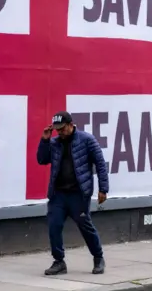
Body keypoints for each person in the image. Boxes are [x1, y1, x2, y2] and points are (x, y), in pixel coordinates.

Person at [37, 111, 109, 276]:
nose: (59, 132)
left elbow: (100, 164)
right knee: (54, 226)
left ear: (71, 125)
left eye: (62, 129)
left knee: (85, 226)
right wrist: (44, 140)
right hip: (58, 194)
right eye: (57, 130)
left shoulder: (87, 140)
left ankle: (98, 257)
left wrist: (103, 188)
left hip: (79, 194)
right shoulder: (54, 142)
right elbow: (41, 160)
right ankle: (59, 261)